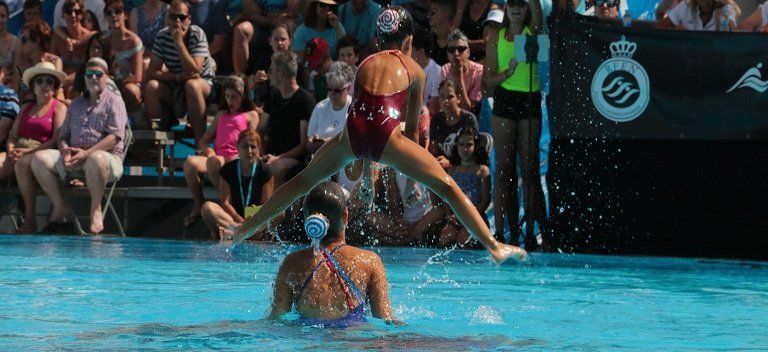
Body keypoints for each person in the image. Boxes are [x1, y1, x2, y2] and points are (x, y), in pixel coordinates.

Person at [224, 7, 526, 264]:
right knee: (447, 187)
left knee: (303, 181)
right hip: (386, 136)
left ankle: (244, 230)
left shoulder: (365, 62)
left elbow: (360, 111)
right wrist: (413, 175)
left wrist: (363, 160)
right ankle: (495, 247)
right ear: (408, 41)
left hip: (352, 135)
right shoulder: (414, 70)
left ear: (379, 39)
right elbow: (408, 130)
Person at [267, 181, 397, 327]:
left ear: (307, 220)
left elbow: (275, 320)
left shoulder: (291, 263)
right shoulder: (370, 261)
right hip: (353, 341)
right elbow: (385, 320)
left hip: (307, 342)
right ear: (345, 216)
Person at [31, 57, 127, 234]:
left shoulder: (114, 101)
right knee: (38, 159)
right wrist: (65, 150)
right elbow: (63, 136)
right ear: (84, 77)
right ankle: (60, 206)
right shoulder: (76, 104)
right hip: (74, 158)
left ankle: (96, 209)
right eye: (89, 74)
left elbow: (115, 137)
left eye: (98, 74)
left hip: (105, 159)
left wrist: (87, 153)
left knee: (95, 158)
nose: (93, 78)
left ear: (106, 77)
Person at [484, 0, 546, 246]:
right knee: (503, 170)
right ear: (507, 9)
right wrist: (507, 73)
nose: (518, 8)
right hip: (505, 101)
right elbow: (488, 82)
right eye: (513, 4)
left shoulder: (532, 34)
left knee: (529, 170)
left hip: (530, 101)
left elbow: (538, 16)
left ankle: (530, 231)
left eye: (523, 4)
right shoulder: (497, 37)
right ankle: (499, 232)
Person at [0, 62, 67, 233]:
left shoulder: (58, 107)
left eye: (49, 81)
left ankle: (29, 220)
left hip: (42, 151)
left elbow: (55, 140)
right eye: (39, 81)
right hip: (18, 150)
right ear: (33, 87)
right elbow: (13, 135)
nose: (44, 85)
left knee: (22, 162)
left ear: (55, 87)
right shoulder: (25, 108)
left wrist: (27, 152)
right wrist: (10, 149)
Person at [184, 75, 259, 227]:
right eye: (227, 96)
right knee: (190, 164)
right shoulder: (221, 115)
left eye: (234, 97)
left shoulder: (250, 115)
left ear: (242, 96)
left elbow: (252, 140)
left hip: (236, 157)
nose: (230, 100)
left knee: (214, 162)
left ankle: (230, 200)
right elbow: (204, 140)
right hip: (218, 156)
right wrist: (209, 151)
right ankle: (199, 203)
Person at [144, 0, 215, 143]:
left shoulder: (197, 34)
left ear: (189, 19)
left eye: (181, 17)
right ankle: (158, 141)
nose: (177, 21)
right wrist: (177, 77)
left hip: (204, 85)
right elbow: (153, 71)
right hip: (176, 84)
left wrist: (179, 43)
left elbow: (194, 69)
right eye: (173, 17)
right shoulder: (163, 35)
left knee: (192, 85)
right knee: (152, 87)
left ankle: (200, 143)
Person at [201, 130, 273, 240]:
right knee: (207, 207)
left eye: (253, 147)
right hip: (232, 220)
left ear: (259, 149)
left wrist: (253, 220)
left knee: (280, 213)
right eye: (245, 146)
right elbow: (225, 202)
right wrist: (239, 221)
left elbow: (265, 204)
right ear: (238, 148)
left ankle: (236, 233)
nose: (249, 151)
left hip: (257, 219)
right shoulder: (227, 170)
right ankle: (242, 232)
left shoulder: (266, 171)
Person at [258, 51, 315, 187]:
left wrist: (278, 158)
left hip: (294, 160)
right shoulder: (274, 96)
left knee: (274, 168)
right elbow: (260, 129)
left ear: (281, 75)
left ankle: (272, 208)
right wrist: (260, 155)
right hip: (270, 156)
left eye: (271, 70)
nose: (268, 74)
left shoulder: (304, 101)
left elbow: (303, 145)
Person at [438, 127, 490, 247]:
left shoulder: (482, 170)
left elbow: (485, 200)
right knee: (445, 238)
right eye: (461, 144)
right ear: (457, 146)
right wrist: (449, 216)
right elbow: (446, 197)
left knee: (464, 241)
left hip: (476, 217)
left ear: (476, 146)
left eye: (469, 144)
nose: (465, 148)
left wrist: (470, 217)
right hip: (456, 217)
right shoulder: (453, 171)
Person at [429, 79, 479, 171]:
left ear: (458, 98)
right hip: (442, 169)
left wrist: (451, 164)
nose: (445, 101)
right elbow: (433, 151)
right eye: (442, 97)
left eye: (450, 97)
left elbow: (472, 153)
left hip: (463, 170)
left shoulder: (468, 119)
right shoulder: (436, 120)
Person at [103, 0, 144, 113]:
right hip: (108, 83)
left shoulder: (133, 41)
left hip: (128, 84)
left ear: (125, 15)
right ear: (105, 18)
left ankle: (134, 119)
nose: (113, 16)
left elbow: (137, 77)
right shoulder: (104, 40)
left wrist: (117, 85)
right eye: (109, 13)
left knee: (131, 90)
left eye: (117, 11)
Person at [306, 61, 354, 155]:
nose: (332, 94)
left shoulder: (354, 110)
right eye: (329, 89)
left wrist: (328, 142)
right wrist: (313, 141)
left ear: (348, 88)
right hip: (321, 161)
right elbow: (308, 142)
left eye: (337, 90)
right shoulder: (320, 107)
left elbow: (354, 144)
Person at [433, 29, 483, 115]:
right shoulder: (445, 69)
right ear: (447, 54)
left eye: (461, 49)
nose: (456, 53)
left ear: (468, 52)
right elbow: (444, 104)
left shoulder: (479, 71)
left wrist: (459, 78)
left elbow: (468, 109)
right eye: (451, 49)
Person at [14, 22, 64, 104]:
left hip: (50, 105)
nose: (20, 44)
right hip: (27, 108)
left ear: (36, 40)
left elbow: (58, 91)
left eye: (24, 40)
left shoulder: (55, 62)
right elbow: (14, 94)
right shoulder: (20, 66)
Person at [659, 0, 737, 31]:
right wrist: (677, 33)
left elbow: (732, 38)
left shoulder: (726, 11)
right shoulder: (685, 6)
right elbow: (661, 27)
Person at [0, 2, 18, 70]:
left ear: (8, 17)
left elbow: (17, 73)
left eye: (3, 16)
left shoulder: (16, 43)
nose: (0, 20)